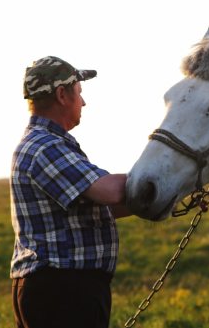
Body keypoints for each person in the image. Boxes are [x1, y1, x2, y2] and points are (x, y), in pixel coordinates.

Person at [10, 56, 131, 328]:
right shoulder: (46, 147)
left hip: (56, 288)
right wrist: (165, 175)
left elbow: (101, 206)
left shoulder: (46, 143)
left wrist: (167, 196)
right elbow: (110, 191)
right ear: (62, 95)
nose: (84, 102)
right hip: (63, 291)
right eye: (79, 92)